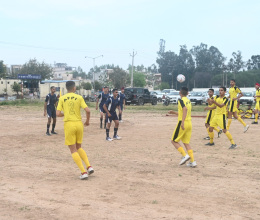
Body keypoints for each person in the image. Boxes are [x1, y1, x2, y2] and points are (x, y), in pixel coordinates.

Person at [56, 81, 94, 180]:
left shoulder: (62, 98)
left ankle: (83, 172)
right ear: (74, 88)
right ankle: (89, 166)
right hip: (79, 124)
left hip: (69, 124)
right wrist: (87, 121)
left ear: (67, 88)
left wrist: (65, 114)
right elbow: (88, 110)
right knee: (79, 147)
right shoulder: (79, 97)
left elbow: (57, 113)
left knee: (73, 149)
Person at [168, 87, 196, 168]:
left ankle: (184, 155)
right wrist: (174, 112)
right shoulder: (188, 101)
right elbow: (184, 112)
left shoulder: (180, 100)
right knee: (186, 143)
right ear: (187, 93)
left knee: (173, 141)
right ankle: (192, 161)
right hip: (189, 123)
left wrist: (182, 122)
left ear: (180, 93)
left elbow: (184, 109)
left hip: (182, 123)